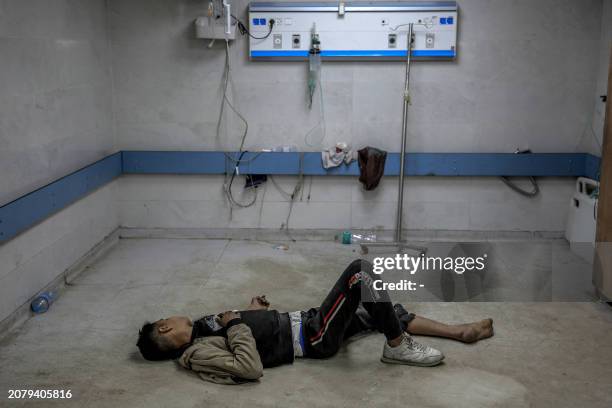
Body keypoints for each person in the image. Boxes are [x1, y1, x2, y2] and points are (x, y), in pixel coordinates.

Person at [137, 259, 493, 384]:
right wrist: (235, 324)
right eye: (166, 319)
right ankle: (398, 348)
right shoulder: (195, 352)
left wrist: (251, 310)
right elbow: (248, 366)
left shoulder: (201, 327)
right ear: (165, 328)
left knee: (384, 310)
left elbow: (242, 330)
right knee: (359, 274)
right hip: (312, 337)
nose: (172, 316)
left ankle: (458, 332)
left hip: (303, 322)